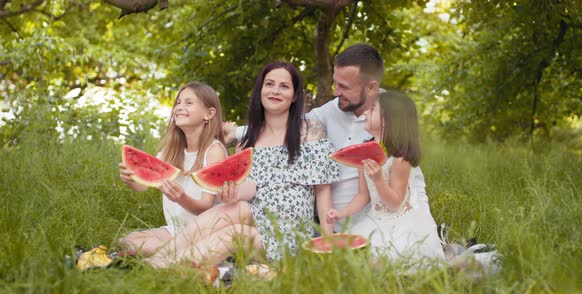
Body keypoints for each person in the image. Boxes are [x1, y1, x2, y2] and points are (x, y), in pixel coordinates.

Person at [144, 61, 339, 269]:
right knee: (233, 208)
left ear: (295, 95)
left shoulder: (311, 132)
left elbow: (323, 193)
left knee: (232, 233)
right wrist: (230, 193)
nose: (275, 90)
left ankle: (163, 270)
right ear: (260, 90)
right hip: (254, 218)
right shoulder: (247, 141)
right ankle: (155, 263)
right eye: (269, 84)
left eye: (284, 86)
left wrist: (327, 245)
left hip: (289, 234)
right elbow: (251, 188)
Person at [225, 43, 431, 233]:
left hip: (374, 223)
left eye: (344, 87)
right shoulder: (329, 111)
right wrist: (237, 133)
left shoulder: (393, 118)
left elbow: (409, 184)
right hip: (327, 222)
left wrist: (419, 226)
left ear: (371, 88)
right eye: (335, 83)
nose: (335, 91)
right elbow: (286, 125)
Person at [326, 91, 444, 264]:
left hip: (401, 223)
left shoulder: (399, 159)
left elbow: (395, 203)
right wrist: (341, 213)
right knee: (352, 259)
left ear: (388, 119)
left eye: (372, 109)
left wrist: (379, 180)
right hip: (375, 219)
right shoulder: (365, 151)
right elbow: (363, 196)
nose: (365, 112)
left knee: (389, 261)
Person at [117, 82, 228, 256]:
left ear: (209, 113)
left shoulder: (214, 151)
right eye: (178, 102)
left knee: (140, 247)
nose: (180, 107)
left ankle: (186, 253)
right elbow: (142, 186)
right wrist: (131, 178)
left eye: (189, 103)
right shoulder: (171, 151)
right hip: (175, 229)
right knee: (124, 240)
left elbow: (206, 207)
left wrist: (180, 198)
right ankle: (178, 253)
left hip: (202, 231)